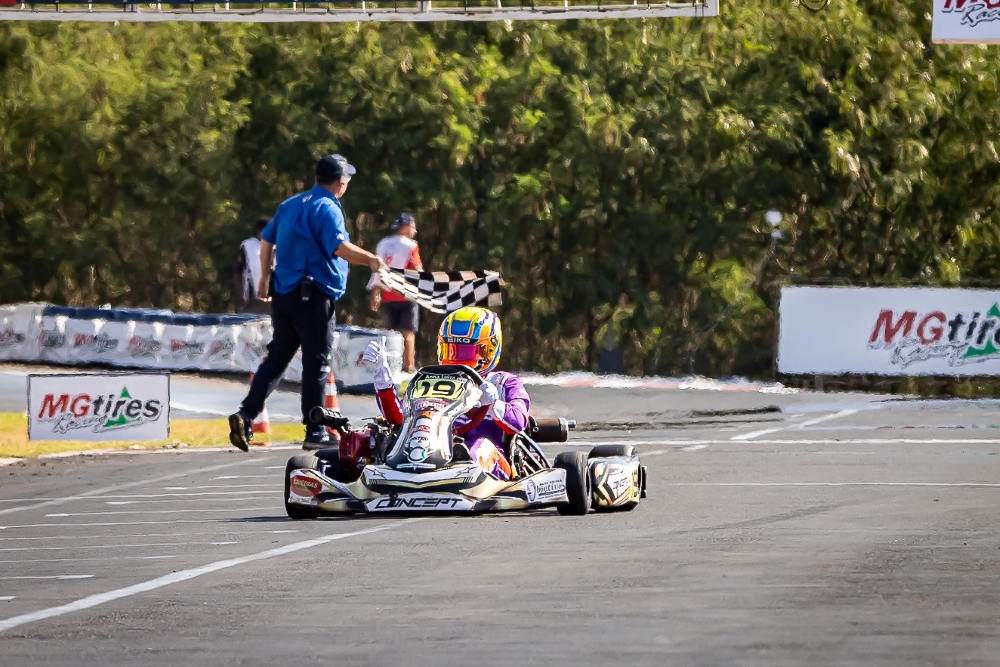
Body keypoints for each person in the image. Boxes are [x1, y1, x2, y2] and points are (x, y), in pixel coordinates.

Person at [228, 154, 386, 451]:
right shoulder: (327, 207)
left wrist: (263, 279)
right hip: (312, 296)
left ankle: (245, 414)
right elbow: (339, 247)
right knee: (317, 363)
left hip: (284, 295)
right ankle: (315, 430)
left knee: (277, 358)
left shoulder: (290, 204)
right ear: (341, 182)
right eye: (347, 180)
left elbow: (266, 240)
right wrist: (371, 260)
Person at [363, 306, 529, 481]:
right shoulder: (430, 380)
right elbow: (399, 418)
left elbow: (519, 422)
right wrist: (383, 383)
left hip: (490, 460)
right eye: (451, 350)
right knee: (372, 439)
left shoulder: (504, 382)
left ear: (488, 350)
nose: (457, 359)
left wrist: (494, 405)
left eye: (466, 352)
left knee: (479, 447)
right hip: (434, 452)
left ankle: (459, 470)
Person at [366, 213, 423, 372]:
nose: (415, 231)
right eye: (413, 227)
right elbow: (418, 270)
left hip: (388, 294)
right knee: (408, 333)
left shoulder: (383, 244)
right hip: (407, 294)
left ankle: (386, 365)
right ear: (404, 227)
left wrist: (375, 293)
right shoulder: (411, 246)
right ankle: (408, 367)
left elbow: (377, 271)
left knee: (389, 332)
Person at [233, 216, 273, 315]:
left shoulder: (277, 245)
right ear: (259, 230)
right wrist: (241, 293)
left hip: (273, 299)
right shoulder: (248, 246)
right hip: (253, 300)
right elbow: (238, 271)